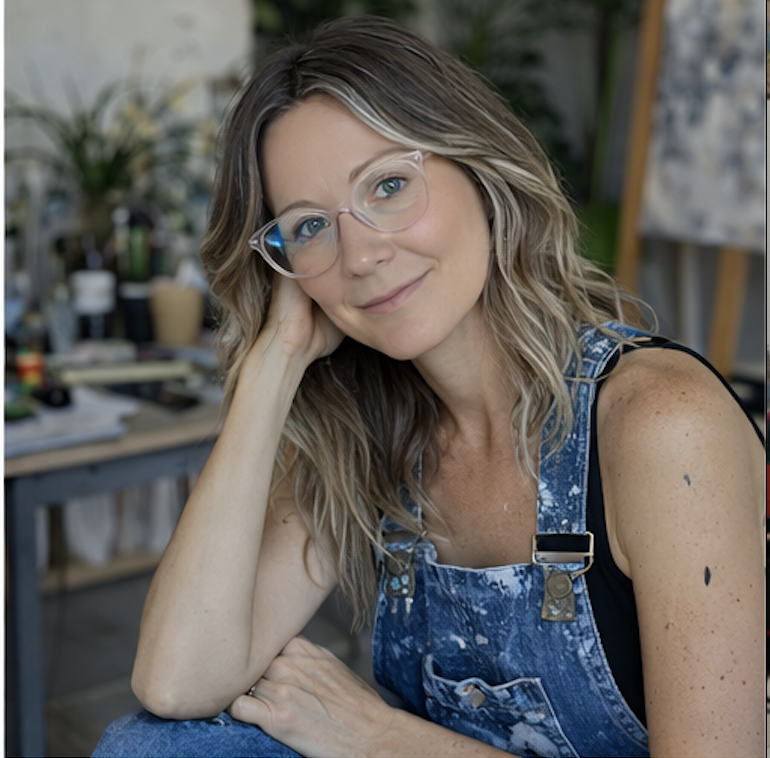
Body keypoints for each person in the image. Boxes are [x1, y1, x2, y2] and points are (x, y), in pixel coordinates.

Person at [94, 15, 765, 758]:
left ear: (479, 174)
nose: (361, 254)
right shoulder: (363, 427)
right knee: (153, 745)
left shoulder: (660, 421)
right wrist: (273, 361)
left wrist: (385, 740)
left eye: (388, 186)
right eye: (310, 226)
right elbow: (177, 682)